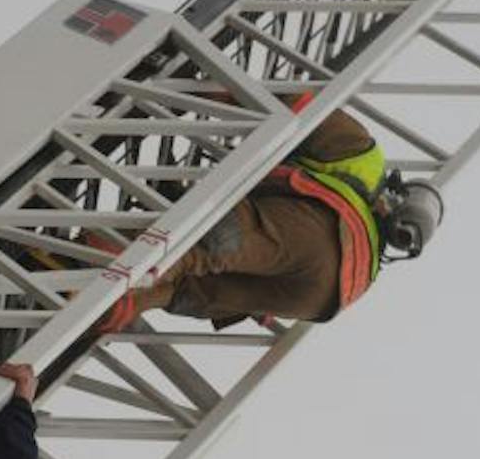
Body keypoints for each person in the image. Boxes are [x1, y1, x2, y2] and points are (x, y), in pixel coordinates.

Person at [98, 101, 441, 332]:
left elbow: (297, 105)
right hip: (321, 298)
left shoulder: (364, 157)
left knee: (220, 240)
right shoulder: (374, 261)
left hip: (326, 237)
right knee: (200, 290)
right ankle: (123, 305)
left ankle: (129, 269)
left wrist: (217, 91)